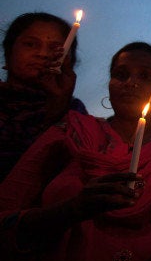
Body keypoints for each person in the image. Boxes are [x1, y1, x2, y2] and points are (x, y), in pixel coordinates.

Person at [0, 42, 151, 261]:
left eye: (145, 76)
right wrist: (71, 210)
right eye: (121, 75)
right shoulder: (70, 132)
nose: (131, 83)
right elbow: (5, 214)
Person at [0, 12, 87, 181]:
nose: (42, 54)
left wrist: (58, 106)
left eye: (55, 49)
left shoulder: (74, 111)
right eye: (31, 44)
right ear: (9, 52)